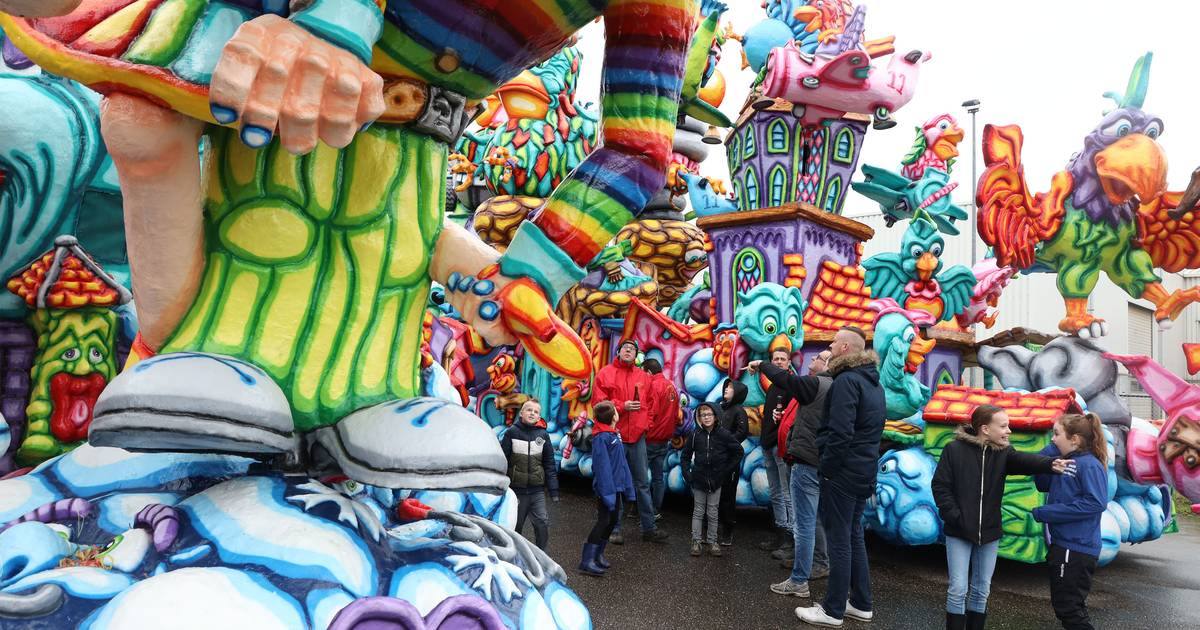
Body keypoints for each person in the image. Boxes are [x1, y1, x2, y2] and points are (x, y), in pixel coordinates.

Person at [932, 405, 1073, 630]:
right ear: (985, 429)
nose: (1009, 431)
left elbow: (1024, 461)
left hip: (990, 531)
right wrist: (954, 515)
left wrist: (1049, 464)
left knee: (982, 589)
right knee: (958, 589)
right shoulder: (954, 449)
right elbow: (940, 486)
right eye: (1004, 426)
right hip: (959, 529)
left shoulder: (1003, 452)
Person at [793, 325, 883, 627]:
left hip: (842, 473)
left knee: (839, 540)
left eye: (833, 342)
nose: (830, 346)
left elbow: (840, 433)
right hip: (863, 471)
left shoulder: (846, 381)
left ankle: (832, 609)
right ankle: (860, 602)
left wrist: (828, 470)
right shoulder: (873, 383)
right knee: (854, 535)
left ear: (845, 348)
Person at [756, 349, 833, 599]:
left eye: (818, 358)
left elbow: (787, 380)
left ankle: (800, 578)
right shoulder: (828, 386)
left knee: (804, 522)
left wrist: (762, 365)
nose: (812, 361)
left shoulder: (817, 383)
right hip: (810, 458)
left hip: (806, 460)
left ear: (828, 363)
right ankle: (817, 562)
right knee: (815, 518)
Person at [1033, 412, 1109, 630]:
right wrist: (1051, 452)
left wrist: (1048, 512)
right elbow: (1041, 482)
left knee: (1069, 608)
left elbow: (1096, 503)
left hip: (1075, 549)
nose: (1052, 438)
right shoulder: (1067, 462)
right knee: (1069, 606)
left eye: (1056, 434)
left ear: (1074, 439)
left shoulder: (1088, 465)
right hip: (1065, 545)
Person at [593, 339, 668, 544]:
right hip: (613, 437)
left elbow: (653, 403)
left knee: (643, 483)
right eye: (625, 348)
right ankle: (614, 529)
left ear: (636, 355)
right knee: (616, 484)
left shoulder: (644, 376)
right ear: (618, 352)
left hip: (638, 437)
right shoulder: (605, 374)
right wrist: (622, 405)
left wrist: (646, 423)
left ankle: (649, 528)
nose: (629, 350)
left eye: (632, 349)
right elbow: (599, 404)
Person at [579, 401, 635, 577]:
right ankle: (587, 560)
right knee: (603, 521)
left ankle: (598, 554)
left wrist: (627, 485)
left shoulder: (613, 434)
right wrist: (607, 492)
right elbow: (602, 468)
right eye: (616, 411)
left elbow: (622, 464)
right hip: (607, 488)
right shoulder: (602, 437)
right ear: (613, 417)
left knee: (612, 521)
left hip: (616, 486)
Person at [681, 402, 744, 557]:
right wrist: (687, 474)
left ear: (716, 416)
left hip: (716, 480)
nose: (707, 417)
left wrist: (725, 471)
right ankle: (696, 541)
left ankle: (712, 541)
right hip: (699, 479)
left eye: (709, 414)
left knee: (713, 511)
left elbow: (738, 452)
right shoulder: (695, 435)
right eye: (703, 415)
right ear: (699, 418)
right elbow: (685, 456)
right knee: (698, 511)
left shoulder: (724, 434)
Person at [499, 399, 560, 551]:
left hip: (536, 490)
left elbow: (549, 464)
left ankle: (541, 554)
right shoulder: (512, 432)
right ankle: (514, 554)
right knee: (516, 525)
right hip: (517, 490)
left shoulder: (543, 435)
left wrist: (554, 490)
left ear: (539, 417)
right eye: (529, 410)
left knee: (542, 523)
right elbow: (503, 461)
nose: (532, 413)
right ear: (521, 413)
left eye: (536, 411)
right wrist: (500, 486)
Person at [759, 348, 796, 557]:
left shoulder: (791, 385)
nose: (779, 362)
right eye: (776, 359)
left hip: (781, 447)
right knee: (775, 492)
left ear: (789, 363)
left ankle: (791, 537)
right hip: (767, 445)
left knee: (786, 492)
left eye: (783, 359)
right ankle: (781, 531)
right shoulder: (773, 386)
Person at [643, 358, 680, 519]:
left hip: (650, 438)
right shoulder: (671, 386)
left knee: (641, 477)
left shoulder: (653, 386)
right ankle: (656, 510)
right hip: (665, 439)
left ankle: (643, 510)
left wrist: (643, 430)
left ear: (649, 372)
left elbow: (651, 413)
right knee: (658, 477)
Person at [717, 378, 749, 546]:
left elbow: (743, 432)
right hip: (717, 457)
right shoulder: (720, 408)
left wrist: (725, 442)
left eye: (730, 387)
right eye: (726, 386)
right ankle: (713, 525)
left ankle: (728, 529)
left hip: (730, 459)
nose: (726, 389)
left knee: (728, 495)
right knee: (714, 491)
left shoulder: (739, 411)